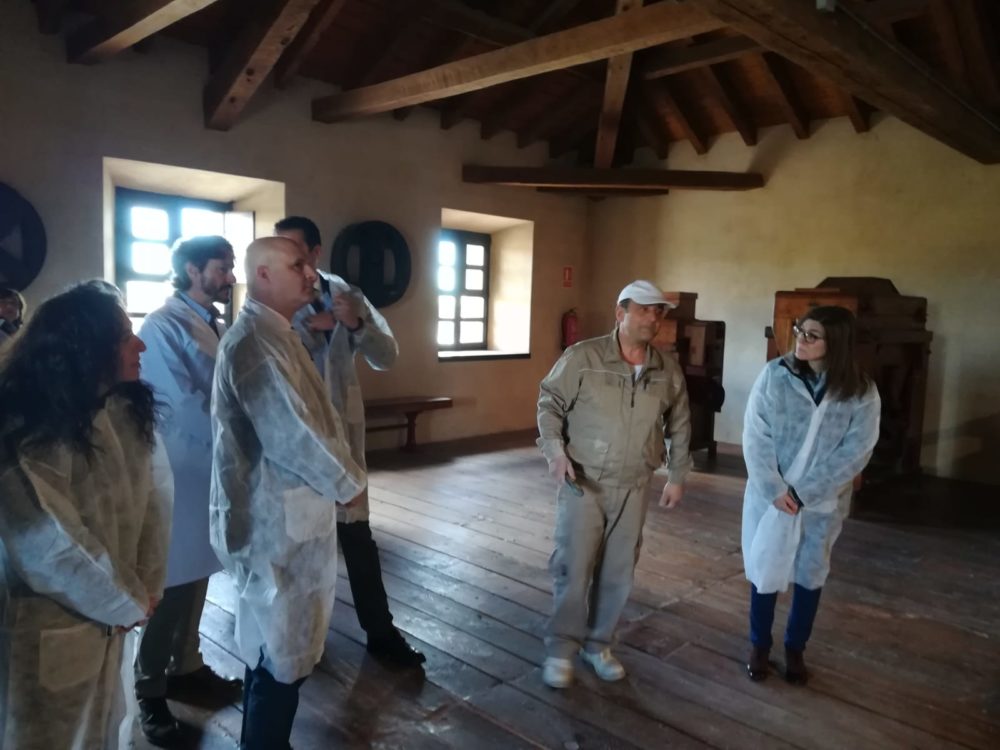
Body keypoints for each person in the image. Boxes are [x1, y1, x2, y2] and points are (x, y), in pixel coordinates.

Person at [0, 282, 172, 749]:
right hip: (54, 621)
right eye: (125, 337)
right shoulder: (30, 427)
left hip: (114, 611)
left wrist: (144, 589)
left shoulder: (123, 408)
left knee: (105, 728)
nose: (140, 346)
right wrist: (125, 600)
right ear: (84, 349)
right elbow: (50, 543)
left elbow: (155, 499)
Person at [210, 236, 366, 750]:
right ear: (263, 275)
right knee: (277, 655)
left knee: (277, 652)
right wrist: (346, 484)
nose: (310, 274)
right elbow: (290, 432)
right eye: (297, 265)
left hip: (290, 515)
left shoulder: (279, 332)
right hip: (271, 522)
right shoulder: (255, 342)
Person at [275, 216, 425, 668]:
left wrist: (356, 323)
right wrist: (307, 331)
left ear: (315, 253)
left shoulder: (345, 293)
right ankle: (297, 641)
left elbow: (386, 355)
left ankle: (381, 632)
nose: (288, 261)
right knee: (298, 546)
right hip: (296, 444)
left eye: (295, 252)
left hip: (341, 436)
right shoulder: (275, 297)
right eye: (280, 252)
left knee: (358, 537)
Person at [536, 279, 692, 689]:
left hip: (635, 484)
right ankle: (561, 650)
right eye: (644, 310)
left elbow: (679, 424)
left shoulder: (666, 370)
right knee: (573, 568)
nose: (652, 318)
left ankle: (598, 645)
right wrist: (555, 452)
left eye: (658, 312)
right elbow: (550, 403)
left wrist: (677, 475)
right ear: (620, 313)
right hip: (583, 482)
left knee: (618, 572)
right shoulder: (583, 358)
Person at [133, 236, 242, 745]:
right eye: (222, 268)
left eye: (231, 267)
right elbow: (181, 404)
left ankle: (187, 664)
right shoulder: (162, 325)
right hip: (179, 466)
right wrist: (241, 442)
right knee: (172, 578)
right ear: (193, 270)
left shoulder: (215, 323)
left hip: (209, 467)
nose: (230, 278)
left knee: (199, 571)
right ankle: (149, 688)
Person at [742, 305, 880, 685]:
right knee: (766, 566)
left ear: (836, 343)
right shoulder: (775, 375)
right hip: (772, 496)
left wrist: (806, 492)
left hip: (821, 501)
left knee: (810, 571)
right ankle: (759, 645)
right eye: (800, 331)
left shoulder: (861, 391)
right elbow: (755, 434)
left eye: (812, 335)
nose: (800, 340)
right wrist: (773, 488)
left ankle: (795, 648)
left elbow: (856, 451)